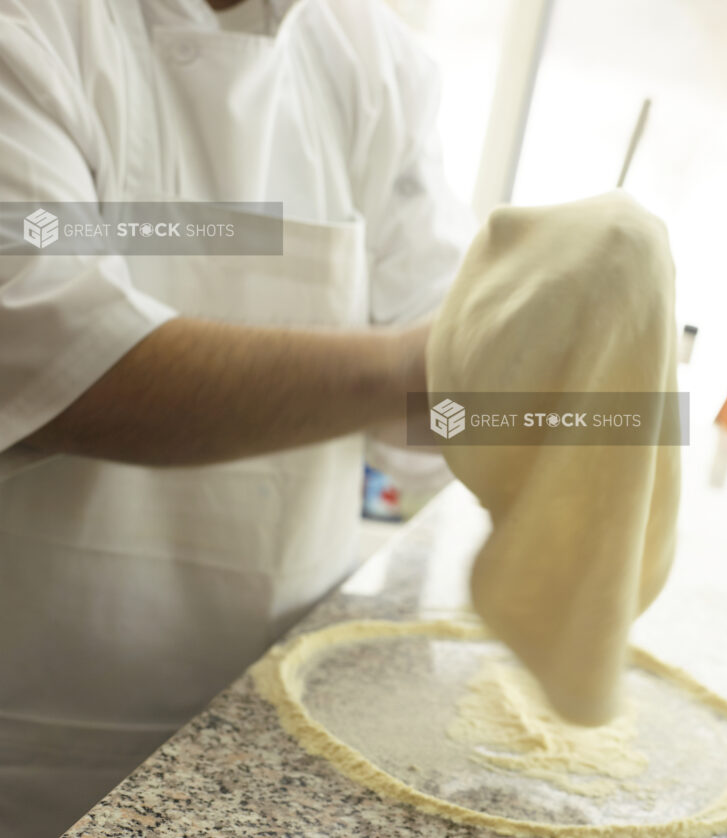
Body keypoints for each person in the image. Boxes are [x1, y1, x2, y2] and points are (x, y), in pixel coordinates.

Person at [0, 0, 473, 834]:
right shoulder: (32, 30)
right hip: (38, 741)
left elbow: (441, 414)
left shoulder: (375, 61)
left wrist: (554, 358)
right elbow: (79, 374)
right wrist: (414, 365)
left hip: (282, 726)